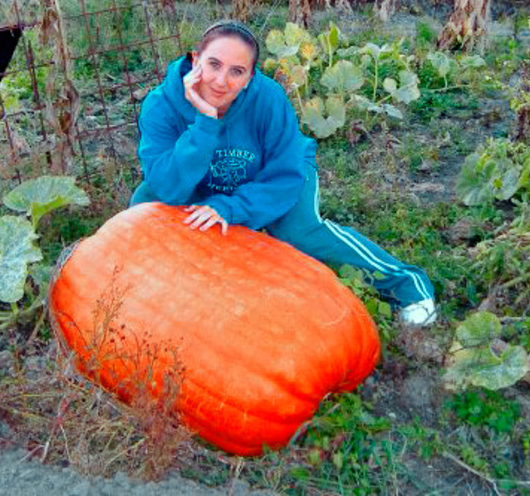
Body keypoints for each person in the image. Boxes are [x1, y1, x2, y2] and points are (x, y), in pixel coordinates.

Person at [130, 20, 437, 326]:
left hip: (276, 174)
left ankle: (407, 285)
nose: (221, 81)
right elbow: (166, 186)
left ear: (250, 78)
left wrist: (230, 207)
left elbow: (284, 176)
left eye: (236, 71)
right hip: (197, 180)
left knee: (298, 232)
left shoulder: (268, 99)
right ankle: (142, 290)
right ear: (195, 60)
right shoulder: (162, 105)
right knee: (145, 208)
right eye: (213, 64)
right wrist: (206, 123)